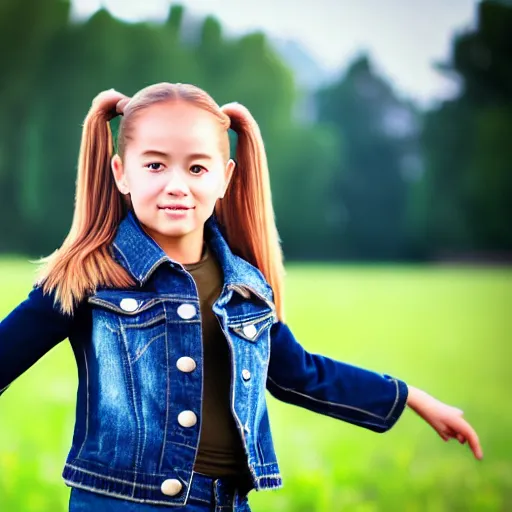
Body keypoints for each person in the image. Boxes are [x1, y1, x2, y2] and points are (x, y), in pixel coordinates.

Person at [0, 84, 482, 511]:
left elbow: (300, 375)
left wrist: (410, 397)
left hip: (226, 503)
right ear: (122, 174)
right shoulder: (86, 275)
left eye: (196, 167)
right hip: (121, 503)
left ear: (225, 178)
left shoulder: (247, 286)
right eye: (155, 165)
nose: (176, 185)